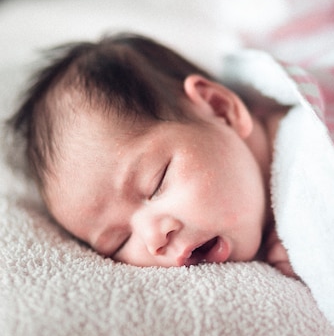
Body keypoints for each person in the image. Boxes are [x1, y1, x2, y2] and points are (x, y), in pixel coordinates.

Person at [7, 33, 296, 276]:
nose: (154, 238)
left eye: (156, 183)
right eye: (118, 242)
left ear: (220, 109)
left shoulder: (314, 147)